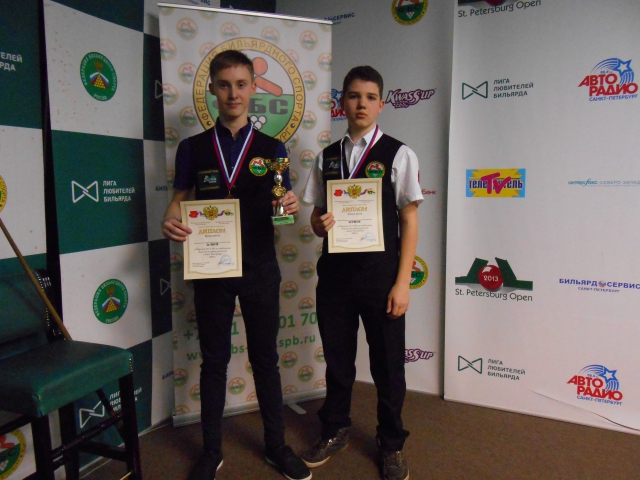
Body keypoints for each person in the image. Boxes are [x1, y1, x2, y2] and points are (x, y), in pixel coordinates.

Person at [162, 49, 311, 480]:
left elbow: (282, 209)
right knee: (214, 362)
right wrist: (170, 217)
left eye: (241, 85)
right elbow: (179, 200)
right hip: (212, 269)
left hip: (260, 267)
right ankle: (211, 451)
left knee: (265, 359)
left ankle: (277, 446)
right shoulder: (192, 148)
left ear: (253, 89)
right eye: (224, 85)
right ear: (211, 88)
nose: (233, 93)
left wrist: (289, 204)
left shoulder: (272, 147)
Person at [300, 66, 422, 480]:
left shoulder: (399, 154)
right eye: (353, 96)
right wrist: (319, 225)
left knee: (388, 365)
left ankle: (391, 444)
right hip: (335, 276)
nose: (361, 104)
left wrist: (403, 282)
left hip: (381, 277)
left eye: (370, 97)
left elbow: (409, 220)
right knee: (337, 361)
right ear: (342, 103)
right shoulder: (327, 156)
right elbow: (316, 215)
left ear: (381, 104)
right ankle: (334, 429)